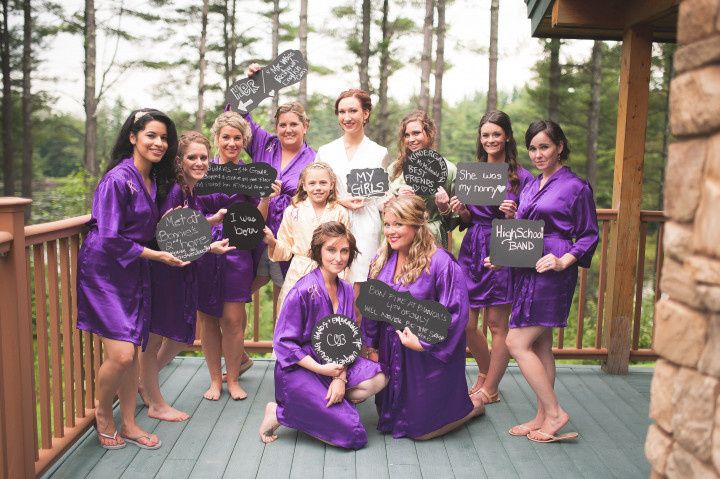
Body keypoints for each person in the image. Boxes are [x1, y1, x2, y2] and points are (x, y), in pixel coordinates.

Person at [485, 120, 598, 443]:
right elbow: (526, 229)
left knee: (515, 342)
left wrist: (565, 260)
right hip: (526, 267)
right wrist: (505, 247)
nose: (538, 154)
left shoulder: (576, 186)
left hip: (553, 269)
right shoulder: (532, 184)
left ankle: (555, 412)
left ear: (560, 146)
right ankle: (541, 415)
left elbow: (589, 235)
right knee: (540, 344)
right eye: (533, 148)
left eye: (544, 147)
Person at [77, 109, 183, 450]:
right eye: (151, 135)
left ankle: (130, 422)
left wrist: (202, 237)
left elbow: (155, 230)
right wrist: (155, 256)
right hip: (105, 271)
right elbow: (108, 236)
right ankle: (103, 415)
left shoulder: (153, 181)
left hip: (134, 269)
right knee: (122, 354)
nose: (159, 143)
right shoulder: (117, 179)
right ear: (133, 137)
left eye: (164, 138)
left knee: (134, 348)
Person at [362, 196, 484, 440]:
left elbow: (456, 313)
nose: (390, 231)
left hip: (426, 355)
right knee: (384, 417)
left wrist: (422, 343)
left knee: (421, 432)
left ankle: (473, 407)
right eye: (387, 224)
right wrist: (371, 346)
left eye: (399, 224)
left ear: (417, 225)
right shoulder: (381, 259)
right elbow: (372, 306)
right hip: (391, 348)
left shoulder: (440, 262)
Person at [259, 222, 388, 448]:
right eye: (331, 250)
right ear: (318, 251)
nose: (338, 257)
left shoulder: (347, 289)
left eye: (344, 251)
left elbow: (347, 340)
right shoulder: (302, 291)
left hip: (335, 363)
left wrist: (339, 378)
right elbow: (284, 344)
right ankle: (280, 412)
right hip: (300, 367)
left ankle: (321, 402)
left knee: (380, 377)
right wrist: (323, 370)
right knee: (354, 435)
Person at [139, 131, 235, 422]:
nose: (199, 162)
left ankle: (143, 382)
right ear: (179, 160)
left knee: (180, 338)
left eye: (204, 157)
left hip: (182, 272)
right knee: (154, 339)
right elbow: (170, 239)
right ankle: (155, 401)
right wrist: (210, 247)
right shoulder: (174, 191)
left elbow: (185, 227)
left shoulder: (189, 190)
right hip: (164, 271)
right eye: (192, 157)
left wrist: (211, 220)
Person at [448, 110, 534, 403]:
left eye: (496, 134)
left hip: (503, 244)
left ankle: (492, 387)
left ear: (507, 136)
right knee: (466, 323)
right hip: (473, 247)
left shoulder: (521, 177)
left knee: (498, 325)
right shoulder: (473, 172)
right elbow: (470, 218)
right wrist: (461, 210)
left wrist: (514, 215)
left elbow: (533, 221)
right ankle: (485, 372)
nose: (490, 140)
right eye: (485, 135)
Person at [196, 111, 280, 401]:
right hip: (206, 250)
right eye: (226, 137)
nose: (231, 143)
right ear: (217, 139)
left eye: (237, 138)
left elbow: (257, 220)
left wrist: (267, 198)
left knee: (233, 319)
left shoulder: (251, 175)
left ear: (244, 140)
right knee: (207, 318)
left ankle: (232, 378)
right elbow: (190, 212)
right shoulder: (201, 171)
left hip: (236, 251)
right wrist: (211, 220)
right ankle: (214, 380)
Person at [241, 67, 316, 293]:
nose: (288, 129)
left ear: (305, 126)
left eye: (294, 124)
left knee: (290, 295)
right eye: (282, 124)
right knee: (242, 289)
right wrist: (252, 84)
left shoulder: (314, 159)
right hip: (255, 230)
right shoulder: (263, 143)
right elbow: (238, 117)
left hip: (289, 238)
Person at [314, 89, 389, 293]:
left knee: (359, 292)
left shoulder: (379, 152)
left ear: (365, 114)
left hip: (366, 225)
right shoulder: (325, 152)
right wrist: (340, 201)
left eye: (353, 111)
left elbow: (382, 198)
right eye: (341, 112)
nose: (347, 117)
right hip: (332, 224)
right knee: (330, 289)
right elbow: (314, 193)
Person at [263, 162, 350, 310]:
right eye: (312, 183)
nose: (317, 188)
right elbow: (285, 251)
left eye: (323, 183)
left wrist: (340, 280)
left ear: (331, 184)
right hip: (298, 273)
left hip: (329, 273)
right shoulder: (293, 211)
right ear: (304, 185)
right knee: (294, 317)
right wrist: (272, 242)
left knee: (326, 317)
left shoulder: (340, 212)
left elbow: (344, 250)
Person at [387, 110, 457, 248]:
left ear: (429, 133)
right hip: (401, 238)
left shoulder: (449, 170)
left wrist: (444, 208)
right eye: (407, 135)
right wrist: (396, 201)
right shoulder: (395, 169)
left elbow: (454, 223)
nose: (411, 139)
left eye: (416, 133)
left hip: (433, 238)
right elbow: (385, 214)